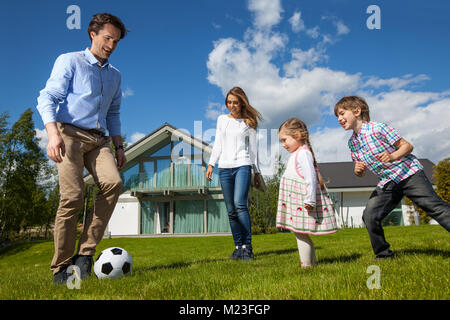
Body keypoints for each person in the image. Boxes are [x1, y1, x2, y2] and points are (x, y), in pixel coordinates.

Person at [36, 13, 128, 284]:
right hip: (69, 135)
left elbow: (114, 112)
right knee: (73, 197)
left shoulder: (115, 76)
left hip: (99, 141)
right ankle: (61, 267)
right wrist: (53, 135)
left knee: (113, 183)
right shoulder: (70, 60)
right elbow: (47, 97)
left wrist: (119, 146)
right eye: (107, 38)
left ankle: (85, 254)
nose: (111, 45)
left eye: (116, 41)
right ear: (93, 34)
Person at [334, 96, 450, 260]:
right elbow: (360, 171)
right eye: (337, 116)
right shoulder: (352, 143)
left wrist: (393, 156)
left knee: (435, 207)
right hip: (388, 182)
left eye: (341, 113)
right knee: (370, 215)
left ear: (357, 111)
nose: (339, 119)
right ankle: (383, 254)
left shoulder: (378, 128)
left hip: (409, 174)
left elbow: (407, 146)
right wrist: (358, 170)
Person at [206, 87, 263, 260]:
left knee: (240, 204)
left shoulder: (249, 121)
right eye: (229, 102)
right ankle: (238, 248)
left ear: (242, 102)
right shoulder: (222, 120)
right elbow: (218, 143)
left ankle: (248, 247)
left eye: (235, 102)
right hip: (224, 167)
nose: (232, 105)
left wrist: (257, 172)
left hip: (243, 165)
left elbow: (253, 149)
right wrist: (211, 164)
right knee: (231, 210)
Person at [276, 118, 338, 267]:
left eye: (285, 140)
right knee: (299, 233)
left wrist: (310, 200)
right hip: (296, 201)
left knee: (301, 233)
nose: (283, 145)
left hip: (302, 202)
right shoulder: (297, 154)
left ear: (297, 135)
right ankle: (311, 263)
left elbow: (311, 178)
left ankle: (307, 265)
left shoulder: (303, 154)